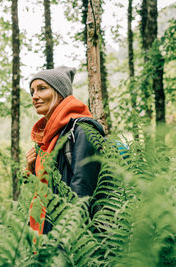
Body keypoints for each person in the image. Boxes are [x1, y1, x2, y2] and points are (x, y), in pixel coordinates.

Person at [26, 66, 105, 234]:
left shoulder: (82, 129)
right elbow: (49, 190)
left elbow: (82, 189)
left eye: (42, 89)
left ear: (60, 92)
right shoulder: (46, 139)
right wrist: (32, 170)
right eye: (32, 91)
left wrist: (66, 239)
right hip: (49, 231)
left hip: (72, 237)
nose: (35, 97)